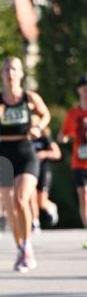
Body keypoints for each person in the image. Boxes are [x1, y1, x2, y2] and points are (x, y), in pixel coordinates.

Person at [0, 56, 51, 272]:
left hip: (26, 151)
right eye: (7, 70)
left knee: (21, 200)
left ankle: (27, 247)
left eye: (14, 69)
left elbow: (45, 115)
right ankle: (20, 247)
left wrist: (39, 128)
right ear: (2, 74)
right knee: (10, 208)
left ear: (21, 74)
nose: (10, 74)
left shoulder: (29, 97)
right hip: (4, 152)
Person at [59, 74, 87, 247]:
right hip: (79, 161)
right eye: (84, 89)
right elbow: (64, 134)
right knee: (84, 196)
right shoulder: (73, 113)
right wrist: (62, 138)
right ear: (78, 90)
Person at [30, 113, 61, 231]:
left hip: (43, 170)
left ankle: (51, 207)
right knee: (31, 197)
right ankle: (35, 222)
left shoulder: (45, 139)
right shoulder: (26, 139)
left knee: (41, 201)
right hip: (31, 171)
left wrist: (44, 154)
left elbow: (57, 154)